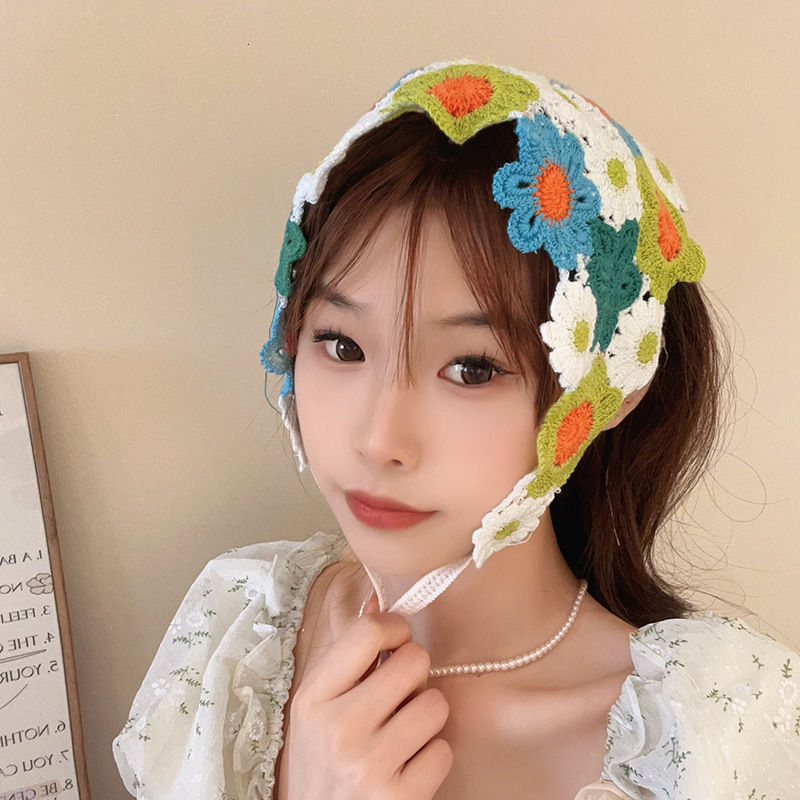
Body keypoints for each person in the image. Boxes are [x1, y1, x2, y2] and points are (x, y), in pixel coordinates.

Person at [113, 61, 800, 799]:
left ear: (607, 394)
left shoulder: (715, 742)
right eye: (341, 344)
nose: (378, 441)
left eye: (471, 368)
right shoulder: (233, 635)